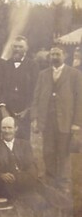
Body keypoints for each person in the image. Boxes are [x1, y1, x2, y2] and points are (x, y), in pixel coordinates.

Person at [0, 117, 72, 209]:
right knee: (39, 202)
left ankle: (72, 209)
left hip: (27, 181)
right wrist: (1, 175)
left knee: (49, 192)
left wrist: (24, 177)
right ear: (0, 129)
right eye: (4, 128)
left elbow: (32, 167)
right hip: (8, 186)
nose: (7, 131)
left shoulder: (25, 145)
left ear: (16, 129)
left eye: (10, 128)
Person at [31, 46, 82, 194]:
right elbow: (36, 97)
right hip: (47, 121)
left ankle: (64, 182)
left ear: (65, 55)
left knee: (63, 152)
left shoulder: (75, 74)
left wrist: (77, 123)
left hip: (65, 121)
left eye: (57, 54)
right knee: (48, 151)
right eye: (52, 54)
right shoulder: (43, 74)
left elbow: (79, 100)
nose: (54, 56)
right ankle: (50, 180)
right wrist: (35, 118)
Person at [0, 36, 39, 140]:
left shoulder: (32, 65)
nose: (17, 49)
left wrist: (27, 110)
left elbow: (35, 90)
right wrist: (3, 109)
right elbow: (0, 88)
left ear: (26, 48)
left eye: (20, 46)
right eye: (15, 46)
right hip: (8, 111)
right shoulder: (5, 65)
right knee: (7, 139)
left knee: (23, 140)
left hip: (24, 112)